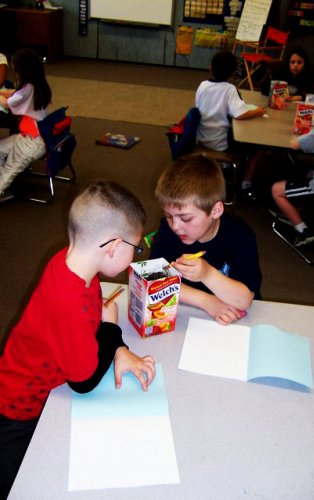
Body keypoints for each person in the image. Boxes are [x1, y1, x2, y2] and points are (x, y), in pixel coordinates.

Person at [0, 179, 156, 499]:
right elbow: (83, 381)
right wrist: (112, 332)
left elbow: (91, 323)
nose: (135, 254)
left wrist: (118, 348)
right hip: (21, 408)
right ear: (113, 246)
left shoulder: (71, 263)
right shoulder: (67, 299)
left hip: (30, 379)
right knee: (17, 484)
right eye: (135, 247)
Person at [150, 153, 262, 325]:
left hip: (237, 318)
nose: (175, 226)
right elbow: (154, 279)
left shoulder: (239, 235)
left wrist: (207, 274)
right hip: (191, 313)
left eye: (186, 218)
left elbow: (244, 300)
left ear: (216, 211)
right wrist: (206, 301)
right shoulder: (168, 230)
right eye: (169, 216)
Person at [241, 47, 314, 200]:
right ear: (288, 63)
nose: (295, 65)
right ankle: (247, 182)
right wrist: (288, 95)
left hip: (296, 116)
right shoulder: (280, 74)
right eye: (292, 62)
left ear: (304, 64)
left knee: (297, 137)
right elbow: (264, 90)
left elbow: (309, 96)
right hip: (276, 113)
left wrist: (291, 98)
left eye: (299, 62)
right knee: (263, 142)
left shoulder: (308, 77)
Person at [271, 88, 314, 247]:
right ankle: (297, 210)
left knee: (276, 190)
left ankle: (303, 230)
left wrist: (303, 135)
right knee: (306, 171)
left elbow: (296, 144)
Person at [0, 48, 52, 203]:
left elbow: (7, 103)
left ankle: (2, 187)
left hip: (32, 143)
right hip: (30, 137)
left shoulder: (25, 91)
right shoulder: (37, 84)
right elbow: (15, 93)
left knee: (9, 170)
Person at [195, 50, 265, 152]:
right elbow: (240, 114)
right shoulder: (230, 89)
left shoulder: (202, 85)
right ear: (232, 73)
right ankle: (244, 168)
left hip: (201, 139)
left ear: (211, 68)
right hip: (220, 144)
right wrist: (258, 112)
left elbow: (198, 107)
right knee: (258, 148)